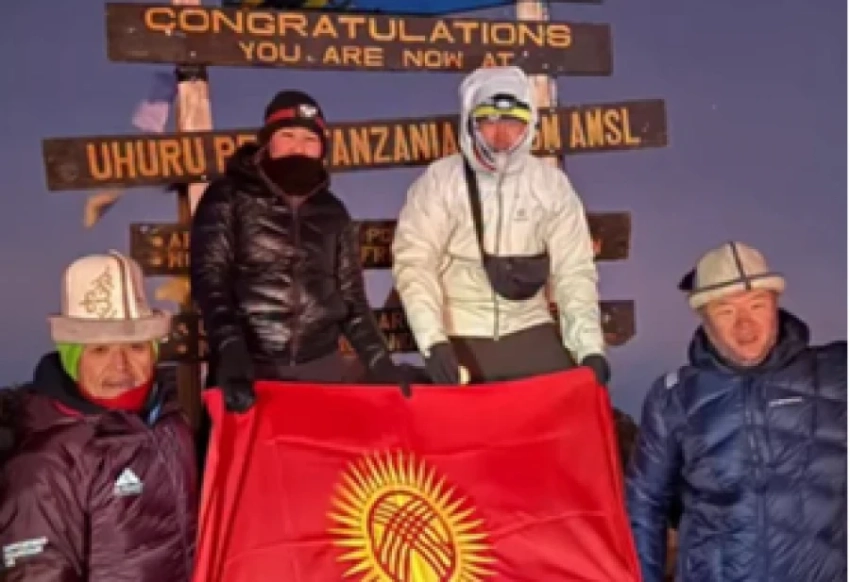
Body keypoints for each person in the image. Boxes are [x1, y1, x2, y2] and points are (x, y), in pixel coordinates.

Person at [626, 241, 846, 582]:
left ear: (776, 305)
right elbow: (644, 504)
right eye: (726, 312)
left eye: (757, 305)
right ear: (704, 318)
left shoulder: (837, 373)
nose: (745, 326)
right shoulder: (674, 397)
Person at [392, 65, 609, 386]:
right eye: (489, 121)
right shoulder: (440, 182)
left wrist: (589, 349)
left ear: (529, 125)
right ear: (472, 123)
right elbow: (415, 262)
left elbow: (573, 270)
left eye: (513, 122)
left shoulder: (551, 186)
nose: (502, 134)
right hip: (461, 329)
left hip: (529, 326)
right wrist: (433, 341)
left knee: (568, 400)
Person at [190, 90, 404, 413]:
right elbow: (210, 279)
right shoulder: (227, 196)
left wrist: (379, 361)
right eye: (287, 136)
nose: (298, 147)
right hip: (249, 365)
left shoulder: (334, 212)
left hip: (321, 368)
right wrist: (230, 348)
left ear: (322, 150)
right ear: (267, 142)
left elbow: (352, 299)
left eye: (309, 139)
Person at [0, 251, 198, 581]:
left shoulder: (172, 423)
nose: (120, 366)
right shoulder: (47, 465)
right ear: (73, 360)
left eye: (136, 347)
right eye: (100, 350)